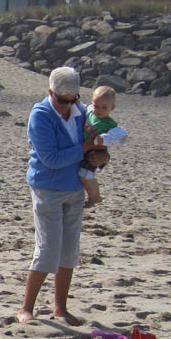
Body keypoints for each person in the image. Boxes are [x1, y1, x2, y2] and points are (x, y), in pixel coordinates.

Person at [17, 67, 108, 325]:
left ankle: (60, 307)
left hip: (74, 188)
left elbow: (95, 148)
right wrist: (85, 148)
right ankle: (26, 308)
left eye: (73, 99)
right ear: (50, 93)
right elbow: (52, 159)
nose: (68, 104)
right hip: (47, 187)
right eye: (63, 99)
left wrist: (102, 157)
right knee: (48, 249)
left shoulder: (82, 113)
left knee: (69, 251)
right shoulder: (41, 115)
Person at [78, 85, 119, 208]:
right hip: (85, 148)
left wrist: (105, 139)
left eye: (104, 107)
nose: (99, 110)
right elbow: (85, 107)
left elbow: (119, 138)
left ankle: (94, 196)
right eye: (96, 106)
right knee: (81, 173)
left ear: (112, 108)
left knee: (85, 174)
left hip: (96, 151)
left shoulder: (110, 123)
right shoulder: (91, 112)